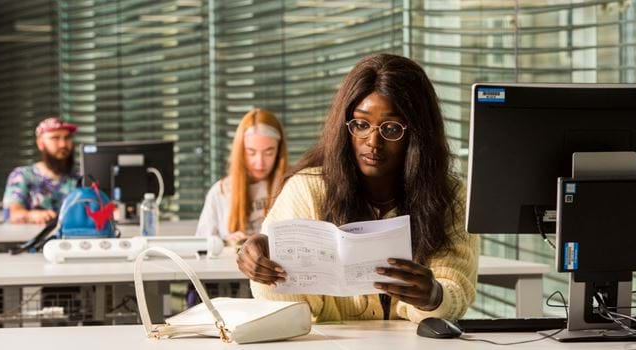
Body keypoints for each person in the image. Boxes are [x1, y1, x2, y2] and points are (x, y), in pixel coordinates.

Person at [236, 54, 480, 323]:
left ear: (417, 134)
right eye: (361, 125)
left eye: (391, 128)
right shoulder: (306, 190)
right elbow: (284, 311)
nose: (373, 141)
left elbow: (456, 291)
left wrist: (435, 296)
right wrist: (267, 265)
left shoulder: (449, 196)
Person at [196, 108, 289, 245]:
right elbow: (201, 245)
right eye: (251, 153)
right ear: (241, 151)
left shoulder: (291, 187)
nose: (260, 163)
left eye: (269, 153)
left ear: (279, 150)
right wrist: (226, 243)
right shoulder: (220, 192)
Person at [3, 117, 79, 224]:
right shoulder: (22, 176)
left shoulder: (80, 178)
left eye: (67, 138)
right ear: (40, 144)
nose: (63, 144)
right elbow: (13, 214)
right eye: (55, 138)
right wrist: (31, 215)